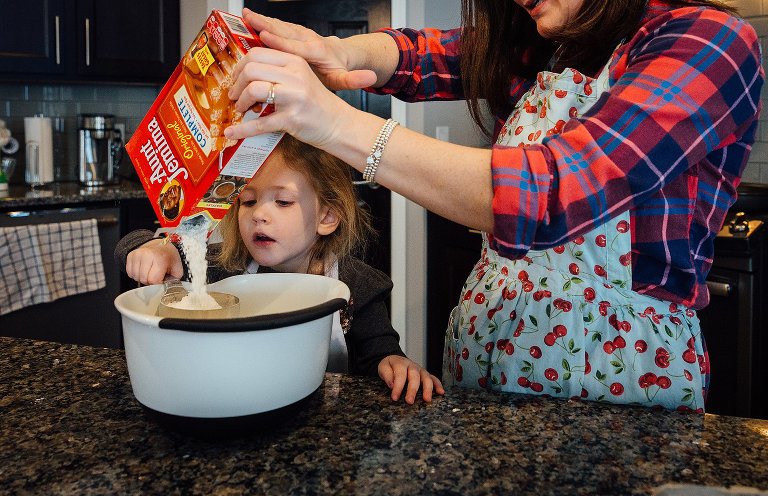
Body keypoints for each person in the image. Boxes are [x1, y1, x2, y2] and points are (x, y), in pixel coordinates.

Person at [220, 0, 764, 412]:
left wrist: (334, 122)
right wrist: (338, 52)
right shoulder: (543, 46)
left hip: (617, 369)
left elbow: (550, 194)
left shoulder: (709, 41)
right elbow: (421, 54)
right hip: (490, 341)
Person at [115, 135, 444, 405]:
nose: (259, 214)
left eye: (282, 202)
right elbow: (137, 244)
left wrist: (396, 365)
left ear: (327, 217)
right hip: (240, 406)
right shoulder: (224, 266)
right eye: (248, 201)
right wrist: (153, 250)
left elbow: (380, 356)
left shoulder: (356, 285)